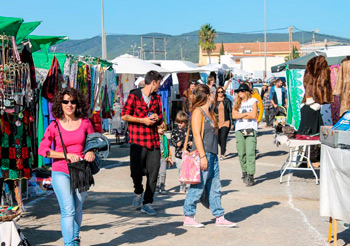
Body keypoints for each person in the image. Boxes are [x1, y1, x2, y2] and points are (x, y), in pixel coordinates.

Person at [38, 88, 95, 246]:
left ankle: (75, 239)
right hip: (61, 170)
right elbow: (43, 150)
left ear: (77, 104)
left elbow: (94, 143)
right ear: (60, 104)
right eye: (65, 101)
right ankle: (69, 244)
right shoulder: (54, 125)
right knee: (68, 209)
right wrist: (65, 155)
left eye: (72, 101)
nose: (69, 105)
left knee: (77, 208)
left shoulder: (85, 123)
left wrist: (91, 152)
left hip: (81, 170)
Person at [183, 84, 236, 228]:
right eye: (212, 92)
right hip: (203, 153)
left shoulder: (210, 112)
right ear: (207, 95)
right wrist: (202, 156)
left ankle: (219, 216)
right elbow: (196, 136)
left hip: (212, 153)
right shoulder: (197, 112)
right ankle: (188, 215)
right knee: (198, 186)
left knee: (215, 186)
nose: (214, 94)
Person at [121, 70, 163, 216]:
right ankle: (138, 191)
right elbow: (124, 115)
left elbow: (161, 118)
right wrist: (142, 120)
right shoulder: (135, 96)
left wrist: (158, 119)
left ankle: (148, 202)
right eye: (159, 83)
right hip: (137, 141)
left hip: (153, 141)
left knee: (154, 172)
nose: (159, 86)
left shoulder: (157, 98)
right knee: (136, 172)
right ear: (153, 82)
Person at [232, 83, 258, 187]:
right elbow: (234, 115)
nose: (239, 93)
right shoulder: (236, 102)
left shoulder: (253, 101)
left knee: (250, 152)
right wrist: (246, 114)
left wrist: (241, 115)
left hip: (250, 128)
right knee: (241, 152)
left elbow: (254, 115)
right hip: (239, 129)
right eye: (238, 91)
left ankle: (251, 175)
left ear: (246, 92)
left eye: (241, 91)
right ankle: (245, 171)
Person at [171, 111, 192, 193]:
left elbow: (193, 139)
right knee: (180, 170)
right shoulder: (175, 130)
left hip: (188, 154)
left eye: (181, 123)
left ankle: (188, 186)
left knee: (188, 170)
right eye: (178, 122)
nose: (179, 124)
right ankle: (182, 186)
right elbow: (172, 140)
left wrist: (192, 143)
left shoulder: (190, 130)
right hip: (179, 155)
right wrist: (176, 143)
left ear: (186, 122)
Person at [213, 86, 232, 160]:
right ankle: (223, 148)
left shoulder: (227, 101)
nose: (220, 93)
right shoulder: (214, 102)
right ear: (217, 93)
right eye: (219, 92)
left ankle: (222, 153)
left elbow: (230, 111)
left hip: (226, 122)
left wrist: (232, 122)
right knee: (218, 139)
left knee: (223, 137)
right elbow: (212, 112)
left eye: (221, 92)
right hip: (217, 123)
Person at [156, 122, 173, 195]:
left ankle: (162, 186)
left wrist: (169, 157)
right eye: (161, 128)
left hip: (163, 157)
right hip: (155, 158)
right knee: (156, 173)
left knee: (163, 173)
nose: (162, 130)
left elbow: (167, 148)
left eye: (163, 128)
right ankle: (156, 187)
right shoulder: (154, 137)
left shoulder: (164, 137)